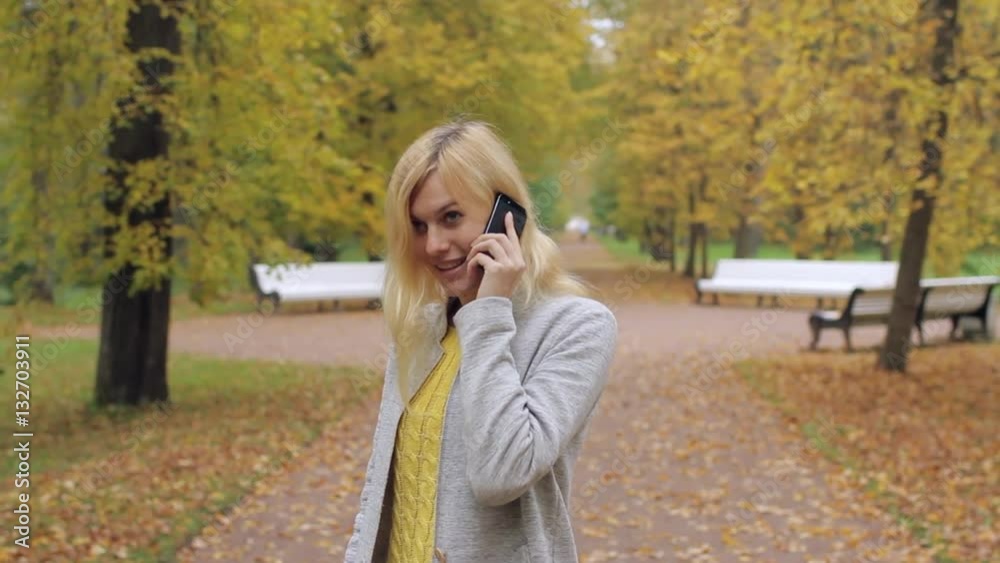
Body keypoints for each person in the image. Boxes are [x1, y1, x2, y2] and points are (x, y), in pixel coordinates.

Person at [344, 120, 618, 563]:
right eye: (417, 225)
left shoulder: (578, 327)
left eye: (451, 217)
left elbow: (501, 473)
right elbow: (381, 485)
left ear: (505, 215)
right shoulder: (421, 328)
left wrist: (487, 312)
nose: (433, 244)